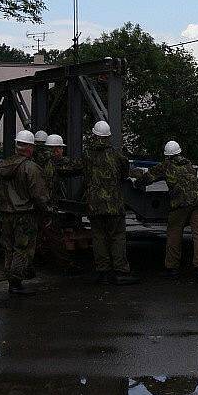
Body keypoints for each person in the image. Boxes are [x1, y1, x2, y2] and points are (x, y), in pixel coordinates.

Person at [134, 141, 198, 282]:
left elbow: (148, 177)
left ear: (167, 156)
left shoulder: (166, 166)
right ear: (179, 152)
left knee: (174, 233)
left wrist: (136, 184)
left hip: (181, 203)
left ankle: (172, 269)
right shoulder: (188, 164)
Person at [81, 120, 138, 285]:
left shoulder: (87, 154)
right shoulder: (117, 155)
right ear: (108, 137)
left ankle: (103, 272)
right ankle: (120, 271)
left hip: (95, 205)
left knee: (98, 237)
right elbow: (125, 173)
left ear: (94, 135)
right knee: (117, 237)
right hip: (114, 205)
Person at [0, 129, 49, 295]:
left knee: (9, 247)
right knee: (22, 248)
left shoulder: (2, 165)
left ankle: (11, 276)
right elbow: (39, 195)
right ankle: (16, 282)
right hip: (24, 214)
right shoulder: (30, 168)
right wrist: (46, 212)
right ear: (30, 148)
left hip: (6, 213)